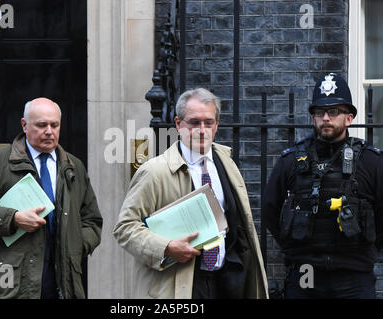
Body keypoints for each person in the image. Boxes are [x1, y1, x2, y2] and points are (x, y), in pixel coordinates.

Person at [113, 88, 268, 299]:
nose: (201, 129)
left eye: (208, 122)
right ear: (178, 124)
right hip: (183, 284)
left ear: (216, 125)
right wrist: (167, 247)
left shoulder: (227, 164)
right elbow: (125, 228)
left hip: (228, 281)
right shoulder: (154, 171)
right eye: (194, 122)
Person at [0, 97, 103, 299]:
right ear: (24, 125)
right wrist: (13, 218)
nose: (49, 131)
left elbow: (92, 220)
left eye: (55, 125)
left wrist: (75, 247)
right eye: (41, 125)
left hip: (63, 281)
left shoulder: (74, 166)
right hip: (12, 282)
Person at [263, 73, 383, 298]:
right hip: (306, 275)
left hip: (355, 276)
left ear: (349, 118)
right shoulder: (290, 161)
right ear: (313, 119)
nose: (326, 118)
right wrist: (294, 250)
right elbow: (270, 209)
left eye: (334, 111)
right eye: (320, 112)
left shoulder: (371, 161)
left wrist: (368, 251)